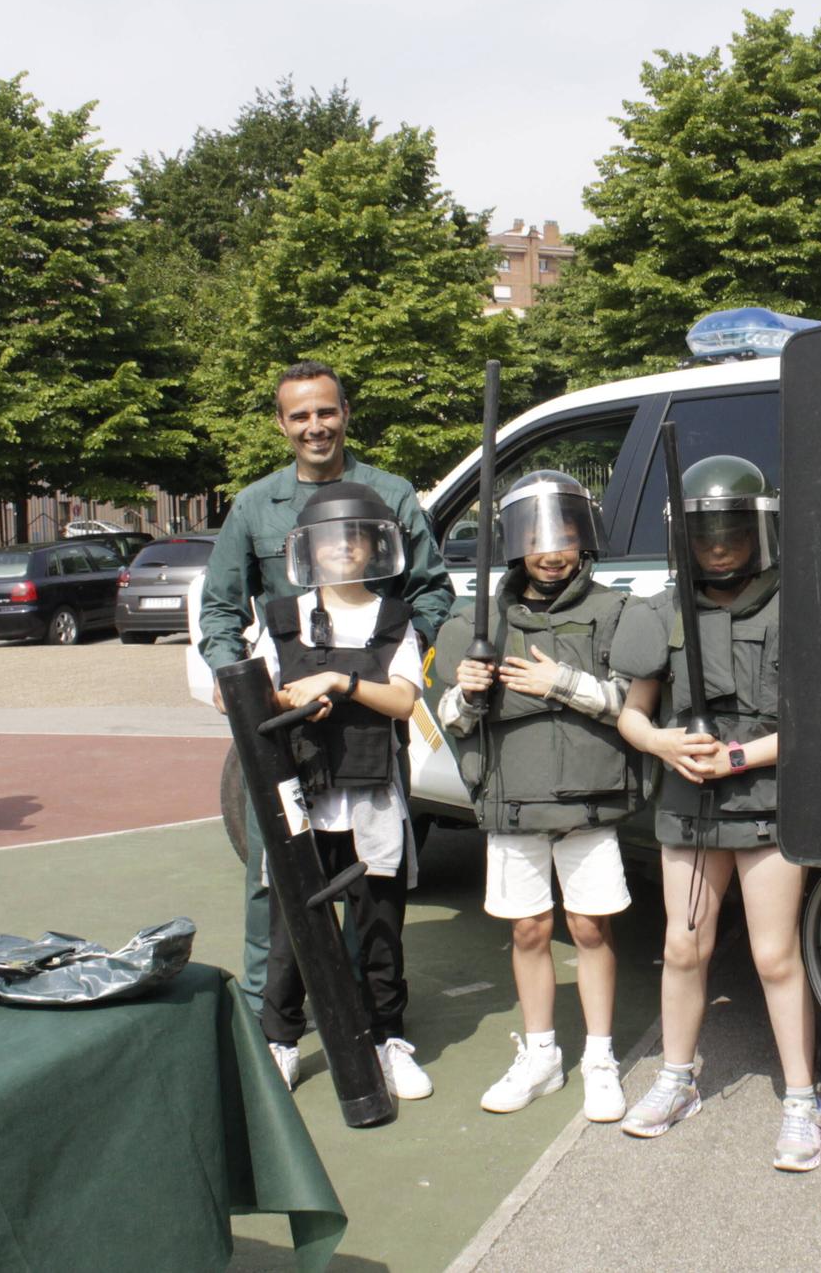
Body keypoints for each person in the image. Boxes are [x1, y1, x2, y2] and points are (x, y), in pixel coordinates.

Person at [198, 361, 455, 1014]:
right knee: (276, 874)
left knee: (377, 870)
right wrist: (238, 682)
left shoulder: (390, 495)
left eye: (326, 411)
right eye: (301, 415)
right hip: (286, 726)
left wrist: (392, 659)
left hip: (368, 718)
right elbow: (222, 609)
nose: (316, 426)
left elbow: (431, 590)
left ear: (345, 412)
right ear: (281, 424)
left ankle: (370, 1013)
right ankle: (272, 1013)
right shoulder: (256, 506)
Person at [607, 454, 821, 1172]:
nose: (720, 545)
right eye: (706, 533)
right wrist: (665, 741)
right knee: (682, 944)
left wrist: (742, 757)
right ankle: (677, 1077)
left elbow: (819, 723)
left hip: (763, 797)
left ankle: (801, 1099)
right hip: (689, 802)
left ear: (760, 528)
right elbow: (633, 715)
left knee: (773, 954)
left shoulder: (797, 603)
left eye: (733, 530)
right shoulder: (663, 611)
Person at [434, 472, 635, 1122]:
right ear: (513, 543)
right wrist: (466, 691)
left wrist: (561, 681)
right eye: (536, 538)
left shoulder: (614, 610)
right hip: (513, 800)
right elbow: (453, 718)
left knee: (589, 927)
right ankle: (543, 1053)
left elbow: (632, 703)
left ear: (585, 538)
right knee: (529, 928)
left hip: (589, 798)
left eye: (565, 536)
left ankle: (600, 1058)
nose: (551, 552)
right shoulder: (478, 622)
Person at [251, 483, 432, 1100]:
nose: (344, 550)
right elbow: (254, 698)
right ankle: (281, 1038)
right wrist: (293, 702)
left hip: (372, 794)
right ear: (308, 550)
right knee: (292, 929)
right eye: (332, 540)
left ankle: (387, 1036)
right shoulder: (279, 619)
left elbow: (404, 700)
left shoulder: (394, 618)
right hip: (303, 796)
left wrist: (341, 682)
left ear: (375, 547)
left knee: (380, 924)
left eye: (356, 538)